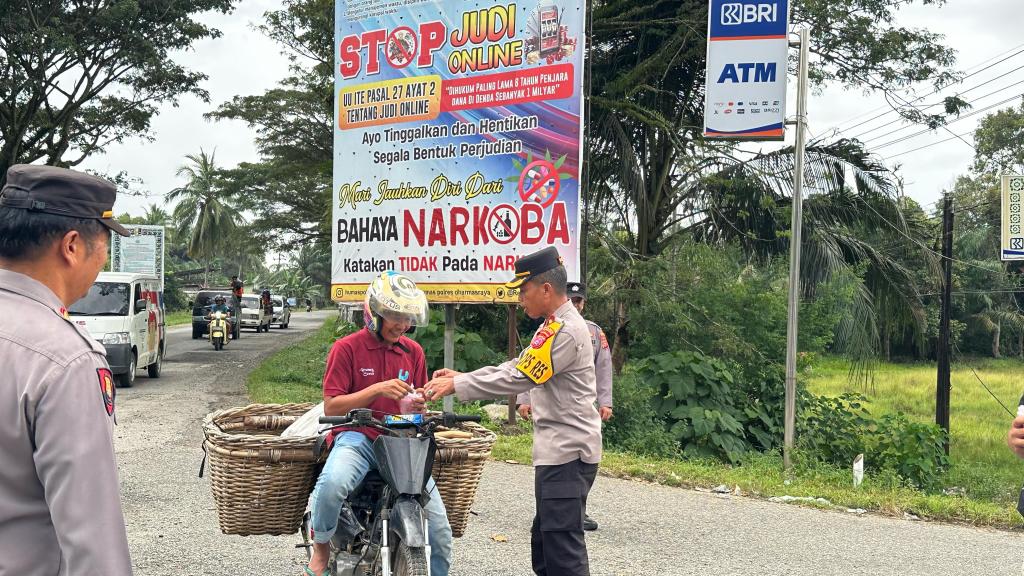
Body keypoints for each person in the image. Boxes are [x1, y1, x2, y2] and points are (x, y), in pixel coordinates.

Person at [424, 247, 602, 576]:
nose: (521, 299)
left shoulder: (565, 331)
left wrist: (458, 387)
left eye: (524, 290)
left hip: (567, 455)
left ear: (545, 289)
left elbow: (519, 377)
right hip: (560, 454)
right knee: (546, 548)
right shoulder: (554, 325)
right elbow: (519, 365)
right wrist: (463, 377)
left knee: (563, 554)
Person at [0, 164, 133, 574]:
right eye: (105, 244)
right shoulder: (65, 359)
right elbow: (93, 543)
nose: (104, 259)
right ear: (72, 246)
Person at [305, 271, 452, 576]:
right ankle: (320, 550)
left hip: (403, 442)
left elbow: (417, 402)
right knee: (332, 486)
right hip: (358, 437)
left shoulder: (414, 352)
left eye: (407, 316)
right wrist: (376, 390)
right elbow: (332, 404)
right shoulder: (346, 348)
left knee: (439, 529)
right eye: (394, 315)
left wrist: (419, 402)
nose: (402, 324)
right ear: (374, 312)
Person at [517, 280, 611, 531]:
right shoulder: (550, 328)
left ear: (584, 303)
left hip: (570, 433)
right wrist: (524, 400)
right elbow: (528, 368)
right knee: (547, 537)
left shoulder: (588, 331)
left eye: (579, 300)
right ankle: (571, 514)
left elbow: (603, 368)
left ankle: (577, 512)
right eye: (573, 299)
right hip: (555, 437)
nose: (576, 304)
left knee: (562, 537)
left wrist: (606, 401)